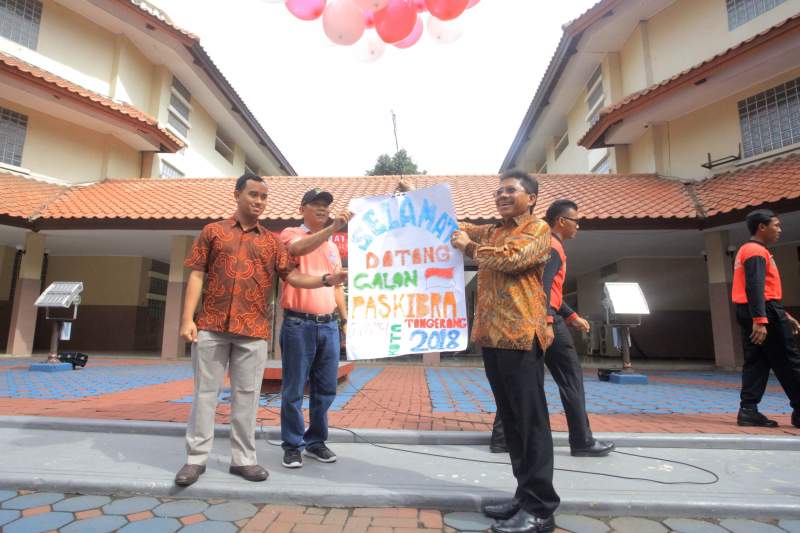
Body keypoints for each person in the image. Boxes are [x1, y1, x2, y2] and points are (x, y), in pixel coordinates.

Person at [406, 170, 558, 533]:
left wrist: (469, 248)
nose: (502, 195)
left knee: (530, 423)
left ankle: (541, 509)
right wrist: (415, 198)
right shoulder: (494, 230)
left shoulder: (537, 231)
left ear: (532, 198)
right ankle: (523, 497)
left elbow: (509, 260)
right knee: (512, 423)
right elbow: (454, 224)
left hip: (522, 336)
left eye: (511, 190)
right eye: (499, 190)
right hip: (492, 338)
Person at [174, 174, 346, 487]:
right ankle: (195, 460)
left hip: (253, 330)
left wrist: (325, 281)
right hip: (211, 326)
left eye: (263, 197)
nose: (258, 201)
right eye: (253, 194)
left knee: (247, 397)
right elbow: (197, 275)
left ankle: (243, 460)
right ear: (237, 194)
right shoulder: (212, 232)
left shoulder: (270, 241)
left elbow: (292, 277)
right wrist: (187, 319)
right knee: (205, 396)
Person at [489, 200, 614, 458]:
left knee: (522, 379)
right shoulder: (553, 246)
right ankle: (582, 441)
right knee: (570, 378)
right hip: (546, 322)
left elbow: (551, 291)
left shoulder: (540, 243)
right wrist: (547, 321)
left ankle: (501, 439)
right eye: (576, 221)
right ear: (561, 221)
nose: (578, 226)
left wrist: (572, 316)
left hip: (536, 318)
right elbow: (543, 289)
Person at [279, 188, 349, 469]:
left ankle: (315, 441)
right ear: (302, 209)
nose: (322, 209)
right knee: (294, 387)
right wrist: (333, 228)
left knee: (326, 388)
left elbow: (338, 286)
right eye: (316, 204)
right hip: (298, 323)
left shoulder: (332, 247)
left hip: (328, 325)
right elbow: (297, 251)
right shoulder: (290, 234)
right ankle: (292, 444)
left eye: (326, 206)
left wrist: (344, 319)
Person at [732, 209, 800, 429]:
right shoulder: (755, 251)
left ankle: (748, 411)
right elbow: (755, 285)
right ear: (762, 227)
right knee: (788, 360)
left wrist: (784, 315)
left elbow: (758, 288)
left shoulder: (749, 250)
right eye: (776, 225)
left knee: (757, 361)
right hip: (762, 311)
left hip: (751, 309)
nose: (779, 229)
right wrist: (761, 319)